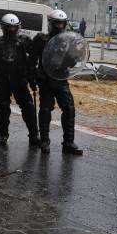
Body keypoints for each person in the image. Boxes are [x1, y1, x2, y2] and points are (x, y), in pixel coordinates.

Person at [0, 14, 40, 147]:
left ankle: (34, 134)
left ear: (18, 27)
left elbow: (32, 60)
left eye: (14, 27)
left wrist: (33, 78)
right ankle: (3, 135)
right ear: (3, 27)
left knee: (28, 107)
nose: (12, 30)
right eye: (9, 27)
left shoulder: (24, 41)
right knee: (3, 107)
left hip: (19, 78)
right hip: (2, 79)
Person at [31, 10, 83, 154]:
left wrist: (76, 55)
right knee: (46, 110)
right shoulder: (41, 39)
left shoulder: (68, 41)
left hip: (61, 79)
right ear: (51, 24)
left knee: (69, 109)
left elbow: (71, 62)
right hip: (45, 80)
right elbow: (32, 60)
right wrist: (33, 77)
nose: (59, 26)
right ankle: (45, 141)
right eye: (57, 23)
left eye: (62, 23)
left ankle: (68, 142)